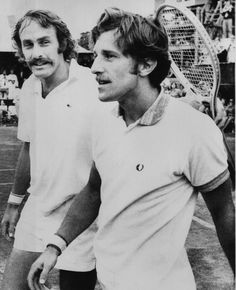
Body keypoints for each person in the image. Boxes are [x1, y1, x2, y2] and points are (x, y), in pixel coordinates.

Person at [27, 7, 235, 290]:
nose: (95, 67)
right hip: (108, 283)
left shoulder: (194, 129)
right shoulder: (103, 121)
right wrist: (56, 245)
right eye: (96, 55)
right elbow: (93, 189)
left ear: (146, 65)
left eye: (109, 56)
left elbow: (225, 214)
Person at [1, 9, 99, 290]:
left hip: (81, 213)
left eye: (44, 42)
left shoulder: (94, 87)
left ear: (62, 45)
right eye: (28, 44)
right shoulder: (28, 88)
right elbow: (28, 147)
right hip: (38, 209)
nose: (36, 53)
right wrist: (13, 203)